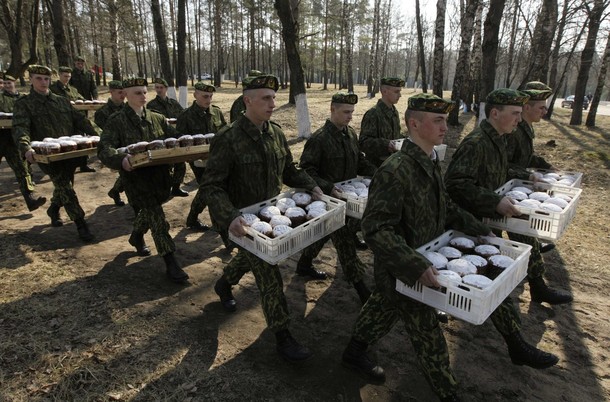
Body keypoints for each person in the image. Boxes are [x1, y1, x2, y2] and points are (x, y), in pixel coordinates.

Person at [342, 93, 558, 402]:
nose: (445, 126)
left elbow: (445, 207)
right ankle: (448, 393)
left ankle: (353, 351)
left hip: (429, 257)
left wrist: (480, 231)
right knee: (429, 337)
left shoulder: (429, 160)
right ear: (413, 124)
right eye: (438, 120)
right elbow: (376, 229)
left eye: (445, 119)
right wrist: (414, 265)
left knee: (382, 308)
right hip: (408, 268)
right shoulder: (395, 170)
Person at [201, 74, 324, 362]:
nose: (273, 103)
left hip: (269, 217)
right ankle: (283, 337)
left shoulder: (276, 133)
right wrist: (229, 216)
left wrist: (313, 185)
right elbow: (212, 185)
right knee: (269, 277)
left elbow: (289, 170)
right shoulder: (228, 138)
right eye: (266, 98)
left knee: (253, 258)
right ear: (248, 100)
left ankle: (223, 284)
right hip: (244, 222)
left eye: (273, 97)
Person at [97, 77, 189, 283]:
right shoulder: (116, 121)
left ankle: (136, 236)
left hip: (160, 178)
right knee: (157, 219)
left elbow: (175, 139)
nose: (143, 96)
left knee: (151, 211)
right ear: (126, 95)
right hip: (136, 181)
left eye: (144, 92)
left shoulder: (157, 118)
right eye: (137, 92)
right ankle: (170, 262)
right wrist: (121, 160)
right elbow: (104, 149)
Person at [296, 92, 376, 303]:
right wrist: (328, 187)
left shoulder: (350, 134)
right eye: (346, 112)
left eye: (352, 112)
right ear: (332, 109)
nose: (350, 116)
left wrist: (381, 174)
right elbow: (306, 170)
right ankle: (361, 289)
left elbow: (359, 162)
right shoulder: (319, 139)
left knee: (322, 234)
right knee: (345, 245)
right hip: (329, 202)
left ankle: (303, 264)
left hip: (350, 201)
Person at [504, 81, 572, 304]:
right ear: (526, 108)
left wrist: (544, 165)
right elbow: (502, 163)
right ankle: (537, 286)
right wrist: (528, 174)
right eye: (540, 107)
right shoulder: (512, 129)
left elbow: (525, 156)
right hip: (504, 193)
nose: (545, 111)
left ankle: (534, 284)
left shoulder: (525, 126)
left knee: (525, 238)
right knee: (526, 238)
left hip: (516, 190)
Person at [13, 65, 99, 241]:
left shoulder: (61, 101)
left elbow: (81, 120)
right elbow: (20, 128)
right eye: (39, 78)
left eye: (46, 79)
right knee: (65, 188)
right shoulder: (24, 104)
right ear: (31, 80)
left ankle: (53, 210)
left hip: (69, 153)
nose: (43, 82)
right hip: (47, 156)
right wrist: (26, 148)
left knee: (65, 185)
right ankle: (81, 225)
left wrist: (100, 136)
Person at [175, 82, 227, 233]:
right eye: (205, 96)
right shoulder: (185, 116)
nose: (208, 99)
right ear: (195, 95)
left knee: (205, 189)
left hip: (217, 159)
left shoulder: (216, 112)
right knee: (212, 191)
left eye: (211, 96)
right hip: (199, 162)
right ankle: (222, 231)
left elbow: (224, 132)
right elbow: (180, 139)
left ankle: (192, 218)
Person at [0, 73, 46, 211]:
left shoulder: (22, 99)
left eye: (9, 82)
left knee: (22, 170)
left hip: (13, 141)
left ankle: (30, 199)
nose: (7, 85)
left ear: (14, 83)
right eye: (4, 83)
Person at [51, 66, 96, 173]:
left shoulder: (73, 90)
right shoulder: (53, 89)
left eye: (69, 77)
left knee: (82, 142)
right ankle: (63, 167)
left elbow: (82, 100)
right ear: (59, 75)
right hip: (61, 122)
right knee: (64, 144)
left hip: (76, 121)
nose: (67, 79)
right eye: (65, 76)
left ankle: (83, 165)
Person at [147, 77, 187, 197]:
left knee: (180, 163)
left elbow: (182, 116)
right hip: (160, 139)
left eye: (161, 88)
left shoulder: (173, 103)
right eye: (157, 88)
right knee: (165, 166)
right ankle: (163, 189)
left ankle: (176, 188)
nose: (159, 90)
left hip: (174, 138)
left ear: (166, 89)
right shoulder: (151, 105)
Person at [358, 77, 405, 168]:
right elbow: (363, 143)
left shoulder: (394, 112)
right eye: (396, 92)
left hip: (393, 164)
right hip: (377, 167)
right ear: (384, 91)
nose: (400, 95)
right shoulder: (373, 114)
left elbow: (395, 135)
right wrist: (386, 144)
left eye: (400, 91)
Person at [94, 80, 127, 207]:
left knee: (129, 172)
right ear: (111, 92)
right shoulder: (102, 112)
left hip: (127, 145)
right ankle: (116, 192)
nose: (122, 95)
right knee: (127, 172)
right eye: (119, 92)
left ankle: (115, 191)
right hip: (114, 147)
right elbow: (104, 134)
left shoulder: (127, 108)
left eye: (124, 92)